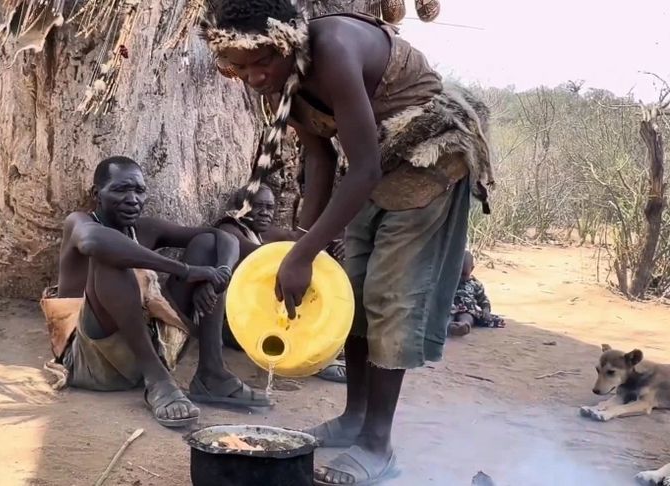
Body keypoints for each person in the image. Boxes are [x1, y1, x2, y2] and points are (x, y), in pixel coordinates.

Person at [200, 1, 494, 484]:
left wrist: (303, 253)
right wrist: (301, 244)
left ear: (286, 43)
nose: (253, 76)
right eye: (240, 66)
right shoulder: (276, 84)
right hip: (370, 167)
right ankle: (355, 418)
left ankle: (378, 445)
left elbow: (365, 169)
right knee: (349, 290)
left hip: (429, 159)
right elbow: (319, 160)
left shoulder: (332, 51)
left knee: (390, 297)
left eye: (261, 62)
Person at [55, 156, 269, 428]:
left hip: (151, 346)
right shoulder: (78, 222)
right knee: (111, 258)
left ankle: (212, 374)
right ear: (97, 194)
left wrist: (218, 277)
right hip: (89, 362)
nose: (133, 199)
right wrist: (187, 271)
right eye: (121, 189)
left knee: (206, 244)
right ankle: (158, 381)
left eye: (139, 191)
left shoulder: (145, 229)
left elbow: (223, 237)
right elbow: (94, 242)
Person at [214, 183, 347, 383]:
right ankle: (318, 362)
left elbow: (300, 239)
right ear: (243, 206)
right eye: (258, 206)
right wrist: (300, 259)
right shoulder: (230, 229)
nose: (265, 213)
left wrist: (339, 245)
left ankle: (327, 351)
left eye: (269, 208)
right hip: (233, 321)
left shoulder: (266, 234)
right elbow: (260, 257)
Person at [448, 251, 505, 336]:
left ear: (472, 269)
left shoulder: (475, 284)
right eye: (457, 273)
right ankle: (449, 327)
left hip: (467, 310)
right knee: (445, 316)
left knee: (468, 316)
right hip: (450, 308)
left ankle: (463, 326)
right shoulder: (447, 280)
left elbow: (483, 299)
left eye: (464, 274)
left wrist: (486, 309)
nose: (460, 277)